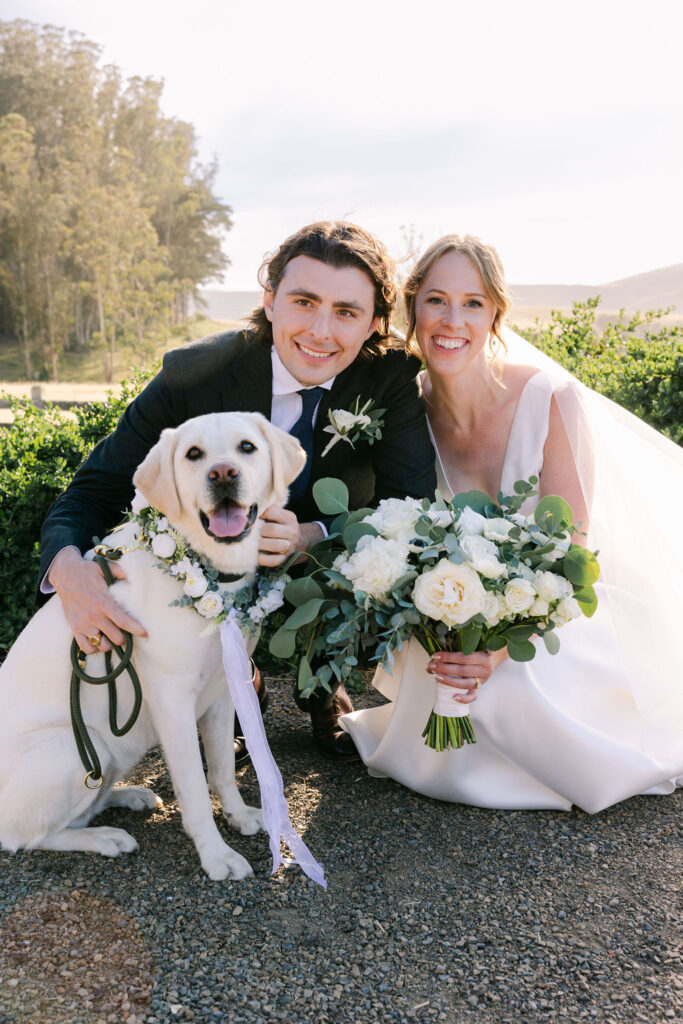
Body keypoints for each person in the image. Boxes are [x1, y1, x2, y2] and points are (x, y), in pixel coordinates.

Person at [39, 221, 437, 761]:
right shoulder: (195, 375)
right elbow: (92, 490)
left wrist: (310, 534)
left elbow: (409, 506)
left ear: (373, 324)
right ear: (269, 300)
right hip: (209, 554)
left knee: (377, 552)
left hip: (325, 549)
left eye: (346, 312)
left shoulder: (388, 378)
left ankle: (324, 677)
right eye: (304, 301)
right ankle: (231, 679)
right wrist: (68, 572)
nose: (321, 331)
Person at [341, 234, 683, 811]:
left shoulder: (549, 398)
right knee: (443, 670)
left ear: (496, 312)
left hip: (549, 610)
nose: (454, 320)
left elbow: (572, 551)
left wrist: (498, 650)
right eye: (436, 300)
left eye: (473, 303)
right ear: (412, 307)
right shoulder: (404, 413)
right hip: (447, 612)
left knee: (510, 682)